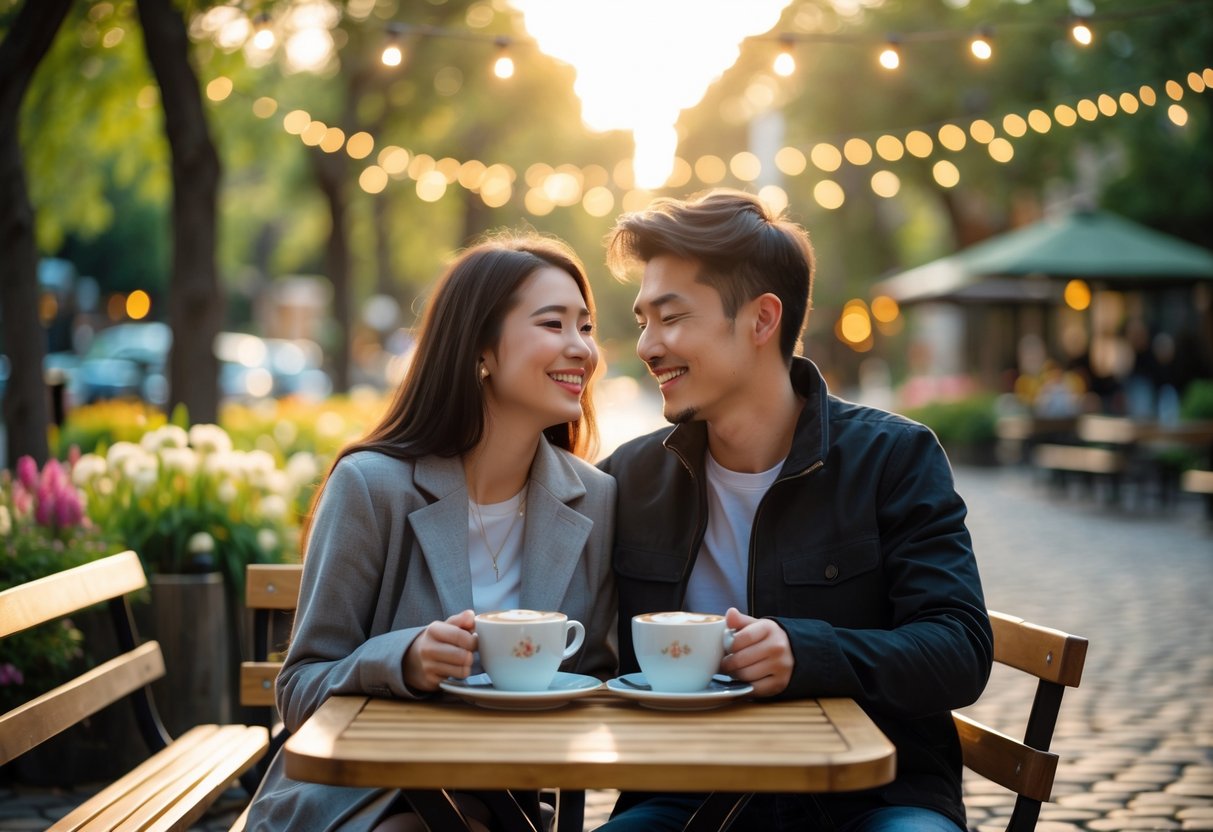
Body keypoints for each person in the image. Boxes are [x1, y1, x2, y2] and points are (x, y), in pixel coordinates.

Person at [596, 190, 993, 832]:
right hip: (683, 794)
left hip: (875, 797)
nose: (647, 344)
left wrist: (807, 653)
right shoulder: (629, 477)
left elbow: (960, 648)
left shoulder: (894, 458)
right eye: (643, 320)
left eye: (671, 317)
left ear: (761, 320)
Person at [244, 234, 617, 832]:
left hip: (506, 808)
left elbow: (592, 677)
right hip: (357, 806)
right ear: (480, 351)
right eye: (553, 324)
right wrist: (405, 660)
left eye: (586, 326)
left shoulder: (594, 499)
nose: (582, 350)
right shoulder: (371, 486)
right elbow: (299, 689)